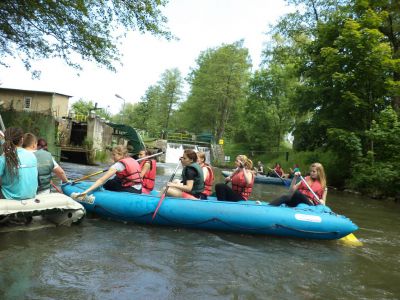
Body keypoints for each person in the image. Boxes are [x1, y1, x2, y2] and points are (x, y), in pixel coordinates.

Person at [76, 145, 142, 198]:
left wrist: (86, 191)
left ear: (121, 154)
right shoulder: (133, 160)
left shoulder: (117, 165)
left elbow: (101, 180)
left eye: (114, 155)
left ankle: (100, 194)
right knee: (114, 180)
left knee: (107, 184)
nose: (112, 157)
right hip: (139, 190)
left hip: (129, 190)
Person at [0, 127, 38, 199]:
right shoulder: (32, 155)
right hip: (31, 195)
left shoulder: (4, 158)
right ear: (22, 140)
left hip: (9, 196)